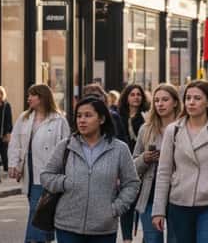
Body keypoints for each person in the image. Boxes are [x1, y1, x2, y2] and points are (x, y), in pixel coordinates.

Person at [152, 80, 208, 243]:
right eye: (188, 98)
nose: (191, 102)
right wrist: (158, 210)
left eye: (197, 98)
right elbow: (164, 172)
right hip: (179, 203)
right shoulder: (174, 130)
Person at [41, 96, 140, 243]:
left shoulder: (119, 149)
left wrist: (116, 208)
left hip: (103, 228)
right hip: (67, 226)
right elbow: (46, 176)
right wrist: (65, 182)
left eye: (88, 115)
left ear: (101, 119)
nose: (81, 120)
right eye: (79, 116)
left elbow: (132, 183)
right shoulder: (65, 146)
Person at [9, 84, 71, 243]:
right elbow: (15, 142)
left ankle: (33, 240)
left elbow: (67, 148)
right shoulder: (24, 118)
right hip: (29, 171)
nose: (28, 98)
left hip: (50, 173)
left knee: (38, 210)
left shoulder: (59, 120)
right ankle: (45, 237)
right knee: (40, 210)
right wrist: (13, 164)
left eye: (32, 95)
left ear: (43, 97)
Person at [133, 84, 181, 243]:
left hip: (178, 194)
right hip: (150, 194)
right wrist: (145, 159)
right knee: (152, 239)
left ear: (175, 102)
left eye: (165, 100)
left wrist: (170, 158)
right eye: (157, 100)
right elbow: (132, 166)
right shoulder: (145, 129)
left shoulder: (185, 127)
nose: (160, 104)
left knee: (176, 239)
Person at [116, 84, 149, 243]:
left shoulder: (146, 117)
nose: (136, 97)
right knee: (126, 203)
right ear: (126, 97)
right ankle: (127, 239)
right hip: (123, 164)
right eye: (132, 94)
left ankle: (146, 237)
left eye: (139, 94)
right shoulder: (118, 116)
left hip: (142, 164)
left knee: (143, 202)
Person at [0, 86, 13, 182]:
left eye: (0, 93)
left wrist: (8, 133)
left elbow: (9, 120)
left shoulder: (6, 105)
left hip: (2, 134)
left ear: (3, 94)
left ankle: (6, 170)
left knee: (4, 153)